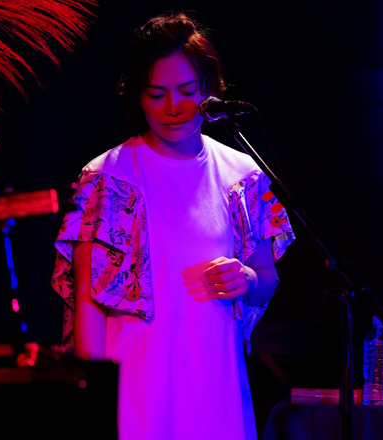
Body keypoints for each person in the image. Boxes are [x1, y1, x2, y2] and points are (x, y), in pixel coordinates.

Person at [51, 12, 295, 440]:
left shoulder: (242, 174)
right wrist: (89, 401)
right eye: (157, 94)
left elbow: (266, 280)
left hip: (215, 378)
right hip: (134, 383)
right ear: (137, 96)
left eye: (187, 91)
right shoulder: (109, 176)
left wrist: (248, 278)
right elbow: (89, 302)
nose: (174, 108)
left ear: (210, 90)